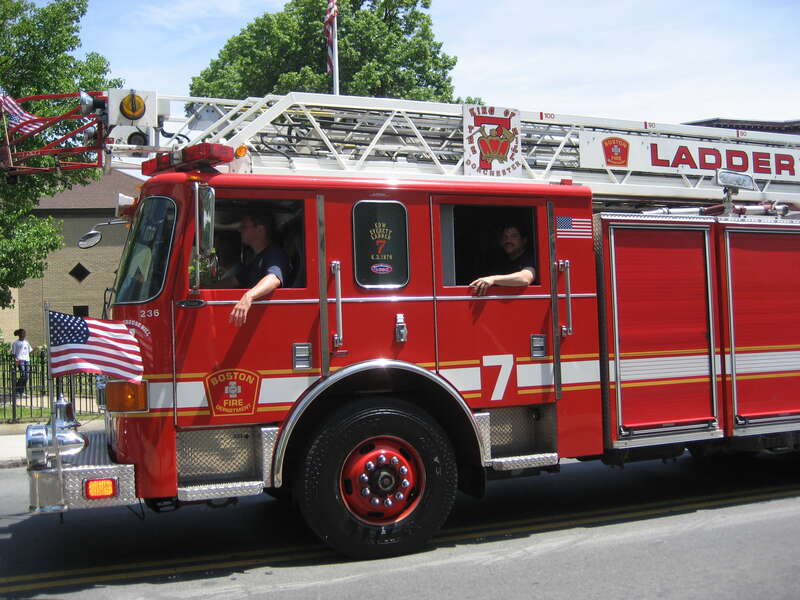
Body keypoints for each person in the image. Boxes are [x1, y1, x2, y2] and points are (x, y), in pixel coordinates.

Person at [227, 212, 289, 326]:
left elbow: (273, 278)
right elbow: (233, 281)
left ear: (260, 230)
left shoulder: (274, 253)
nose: (240, 230)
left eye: (244, 226)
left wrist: (249, 296)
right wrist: (205, 288)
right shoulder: (256, 260)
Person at [469, 225, 536, 296]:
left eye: (514, 236)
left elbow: (525, 278)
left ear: (524, 240)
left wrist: (493, 279)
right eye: (505, 237)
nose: (508, 240)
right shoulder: (499, 259)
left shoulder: (530, 257)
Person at [12, 328, 33, 398]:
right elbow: (14, 354)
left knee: (26, 376)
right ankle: (17, 390)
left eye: (25, 333)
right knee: (23, 375)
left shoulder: (26, 342)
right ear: (19, 334)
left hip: (27, 360)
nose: (24, 335)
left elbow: (30, 351)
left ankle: (22, 391)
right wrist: (16, 361)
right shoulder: (15, 343)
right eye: (23, 333)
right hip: (20, 360)